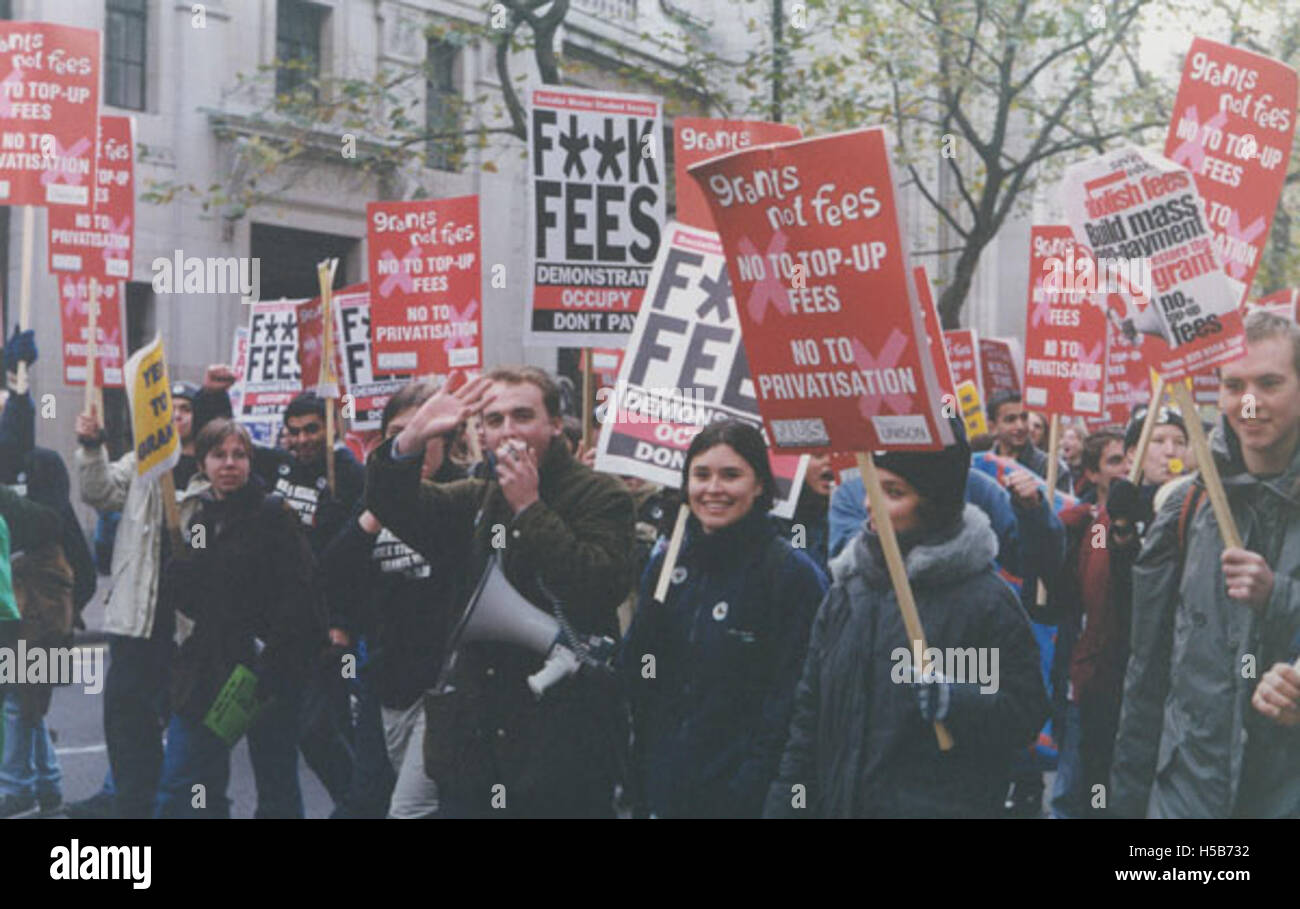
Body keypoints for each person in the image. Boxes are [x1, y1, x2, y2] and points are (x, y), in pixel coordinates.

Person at [365, 367, 636, 818]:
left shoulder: (601, 495)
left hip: (563, 742)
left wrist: (530, 508)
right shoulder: (478, 496)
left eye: (523, 415)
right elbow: (391, 503)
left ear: (554, 423)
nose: (508, 430)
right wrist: (412, 436)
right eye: (493, 420)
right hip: (480, 739)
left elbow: (598, 584)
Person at [763, 422, 1048, 817]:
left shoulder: (985, 602)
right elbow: (808, 725)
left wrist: (959, 701)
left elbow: (1024, 713)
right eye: (870, 487)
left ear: (936, 504)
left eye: (893, 492)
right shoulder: (846, 593)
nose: (870, 505)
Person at [1112, 310, 1300, 817]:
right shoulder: (1185, 508)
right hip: (1186, 795)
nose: (1249, 402)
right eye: (1233, 384)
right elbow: (1146, 670)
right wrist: (1127, 802)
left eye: (1270, 383)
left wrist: (1279, 597)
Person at [621, 421, 826, 818]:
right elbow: (642, 679)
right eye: (701, 475)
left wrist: (755, 789)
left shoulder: (790, 575)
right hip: (665, 787)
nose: (713, 488)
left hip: (746, 795)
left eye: (730, 475)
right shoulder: (668, 564)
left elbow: (793, 700)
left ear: (760, 485)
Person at [73, 365, 235, 817]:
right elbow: (99, 491)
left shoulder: (215, 476)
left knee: (197, 752)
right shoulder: (141, 464)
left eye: (187, 409)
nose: (178, 417)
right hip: (135, 625)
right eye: (171, 410)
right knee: (130, 739)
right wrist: (91, 445)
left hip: (188, 635)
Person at [153, 419, 324, 817]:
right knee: (185, 778)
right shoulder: (201, 519)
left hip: (267, 671)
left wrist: (273, 662)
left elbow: (301, 594)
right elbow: (197, 600)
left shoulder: (273, 514)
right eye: (219, 455)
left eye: (239, 455)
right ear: (203, 462)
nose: (229, 464)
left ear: (250, 462)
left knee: (275, 784)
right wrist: (178, 578)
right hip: (210, 668)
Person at [321, 382, 467, 818]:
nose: (415, 442)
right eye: (402, 433)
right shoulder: (376, 502)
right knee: (368, 795)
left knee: (414, 805)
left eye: (426, 432)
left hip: (446, 680)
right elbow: (333, 572)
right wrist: (377, 509)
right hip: (385, 675)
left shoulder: (465, 494)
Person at [1049, 430, 1131, 818]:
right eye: (1115, 461)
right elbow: (1055, 599)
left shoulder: (1142, 521)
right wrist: (1041, 526)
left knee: (1103, 789)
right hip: (1086, 674)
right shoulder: (1081, 525)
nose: (1128, 467)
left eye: (1129, 458)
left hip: (1123, 678)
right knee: (1071, 788)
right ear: (1093, 474)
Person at [0, 486, 65, 817]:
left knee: (17, 701)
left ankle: (18, 788)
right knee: (26, 704)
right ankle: (47, 784)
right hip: (31, 615)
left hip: (29, 616)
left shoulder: (15, 508)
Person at [987, 391, 1072, 493]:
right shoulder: (983, 464)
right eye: (1010, 419)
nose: (1020, 426)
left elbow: (1060, 506)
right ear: (993, 427)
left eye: (1024, 418)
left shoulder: (1052, 469)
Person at [771, 453, 834, 575]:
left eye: (837, 454)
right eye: (819, 454)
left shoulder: (856, 513)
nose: (829, 460)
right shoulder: (785, 519)